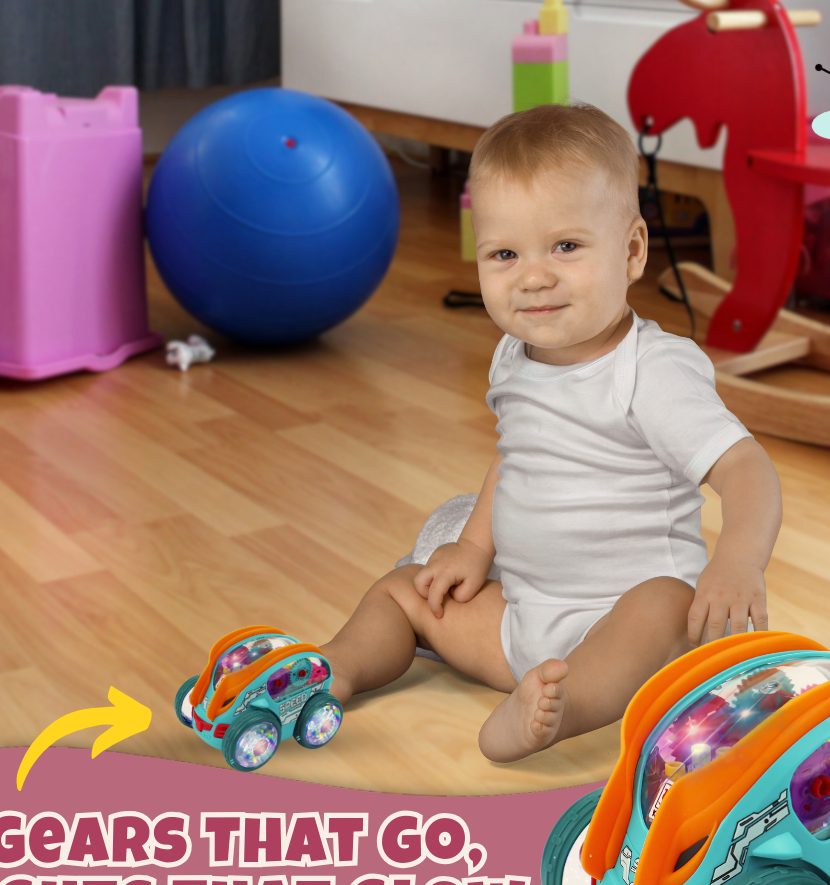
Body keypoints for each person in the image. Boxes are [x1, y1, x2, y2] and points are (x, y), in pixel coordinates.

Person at [319, 103, 783, 763]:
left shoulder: (651, 370)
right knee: (406, 589)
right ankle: (336, 669)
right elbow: (515, 460)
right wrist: (472, 547)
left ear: (631, 251)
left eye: (566, 246)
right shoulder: (514, 356)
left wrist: (737, 561)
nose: (533, 277)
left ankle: (560, 712)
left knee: (664, 605)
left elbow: (745, 467)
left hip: (632, 626)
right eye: (505, 254)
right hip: (524, 619)